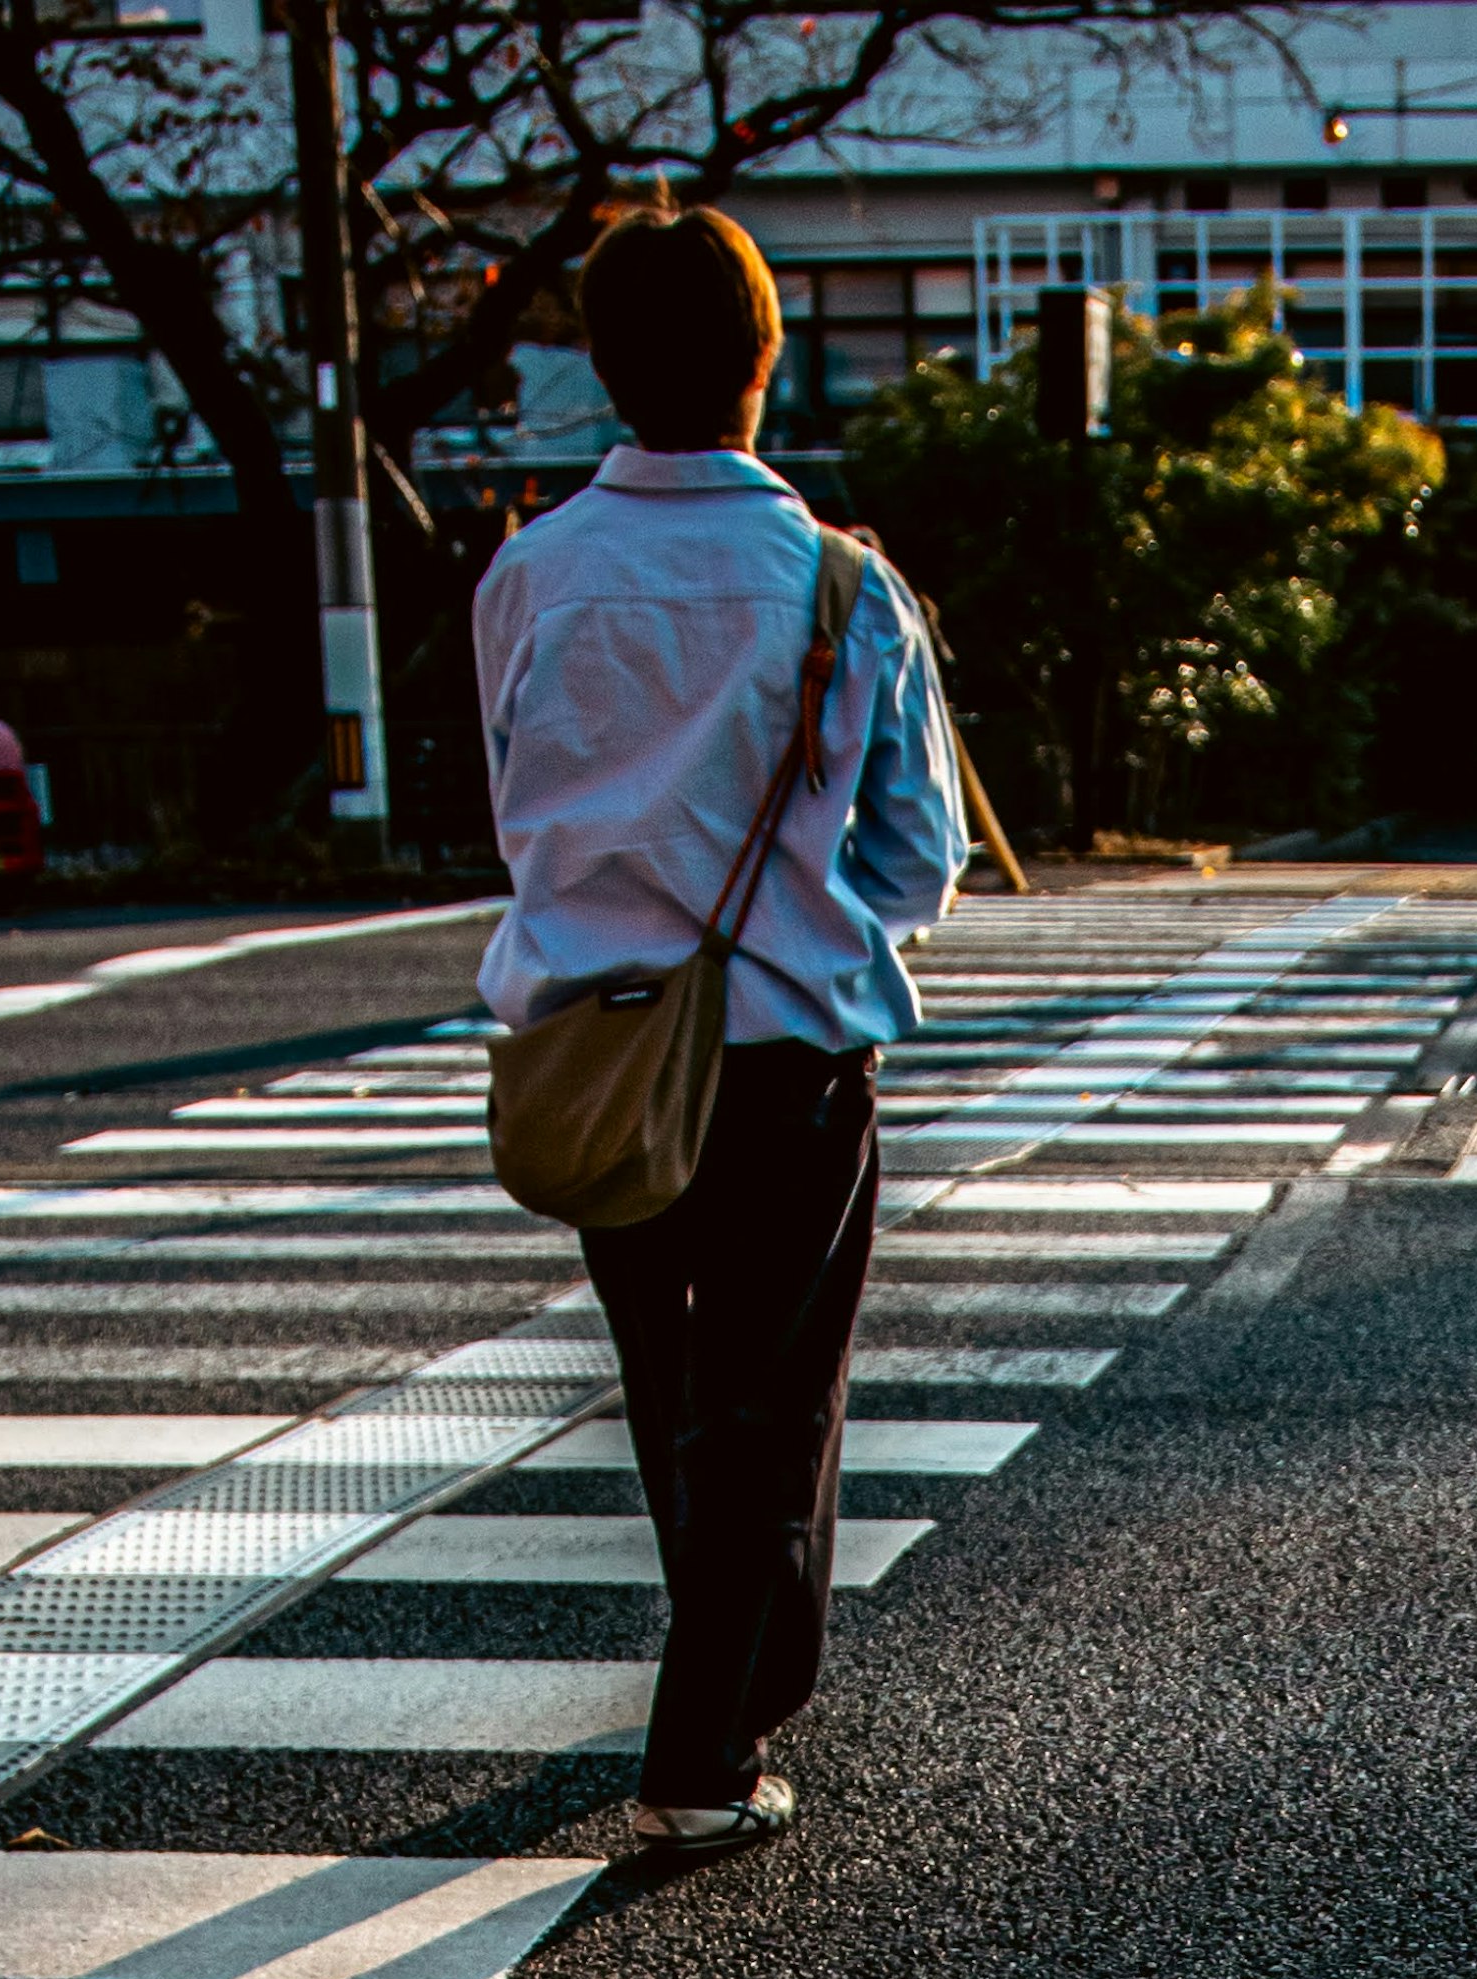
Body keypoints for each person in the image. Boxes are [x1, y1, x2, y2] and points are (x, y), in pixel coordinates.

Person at [474, 205, 968, 1857]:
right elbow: (918, 856)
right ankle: (711, 1735)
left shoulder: (530, 571)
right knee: (770, 1400)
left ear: (602, 370)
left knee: (670, 1382)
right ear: (769, 361)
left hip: (597, 1048)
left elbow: (519, 805)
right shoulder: (842, 581)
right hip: (786, 1052)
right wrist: (802, 922)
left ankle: (728, 1691)